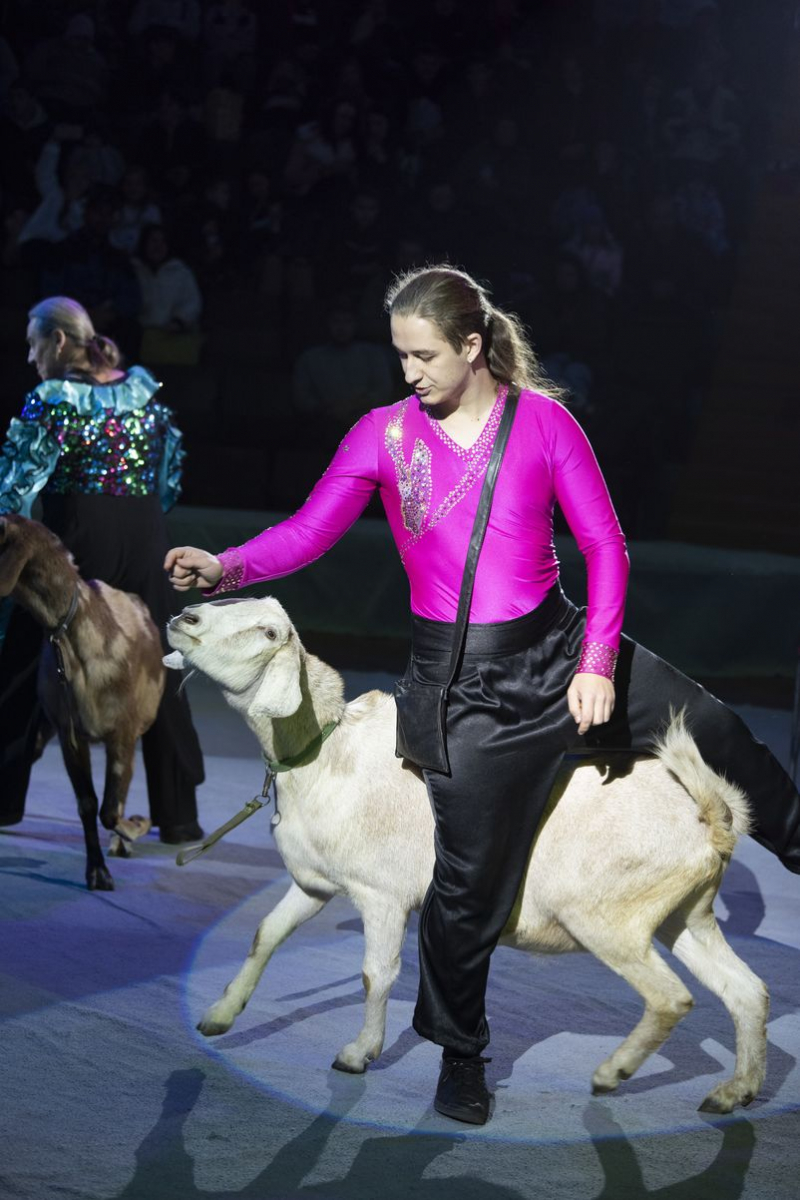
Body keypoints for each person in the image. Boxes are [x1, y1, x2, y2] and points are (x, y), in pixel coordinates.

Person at [165, 264, 800, 1126]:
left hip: (560, 649)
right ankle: (461, 1058)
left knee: (723, 734)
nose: (409, 372)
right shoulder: (383, 436)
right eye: (400, 356)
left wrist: (596, 662)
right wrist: (227, 565)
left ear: (472, 345)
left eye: (424, 354)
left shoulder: (544, 423)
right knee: (464, 889)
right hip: (460, 691)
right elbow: (312, 530)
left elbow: (607, 546)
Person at [0, 295, 204, 843]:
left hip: (78, 540)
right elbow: (170, 478)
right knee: (162, 660)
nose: (30, 356)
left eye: (33, 343)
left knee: (22, 653)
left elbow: (16, 494)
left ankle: (2, 798)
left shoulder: (51, 399)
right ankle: (179, 816)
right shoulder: (144, 393)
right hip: (144, 538)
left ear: (59, 342)